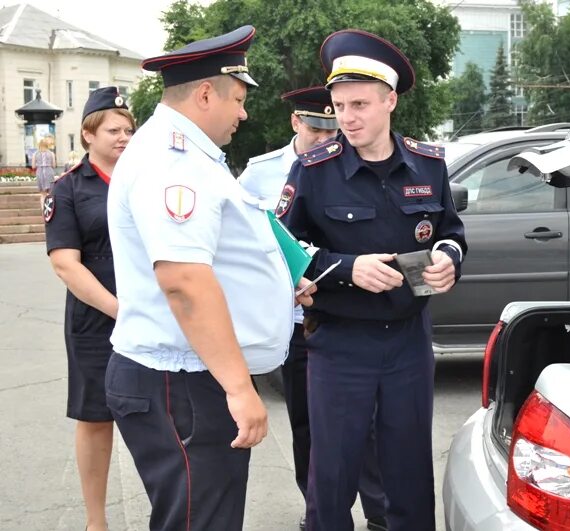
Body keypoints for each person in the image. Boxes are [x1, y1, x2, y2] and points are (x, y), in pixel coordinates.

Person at [105, 26, 312, 531]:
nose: (243, 113)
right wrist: (241, 390)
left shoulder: (189, 155)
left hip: (187, 379)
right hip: (183, 384)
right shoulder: (171, 162)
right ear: (204, 94)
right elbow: (184, 281)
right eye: (237, 99)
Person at [280, 29, 467, 531]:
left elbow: (450, 229)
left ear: (390, 101)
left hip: (408, 340)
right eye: (340, 105)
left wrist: (448, 257)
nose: (347, 117)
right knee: (333, 477)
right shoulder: (313, 170)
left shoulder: (429, 164)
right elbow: (284, 248)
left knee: (408, 473)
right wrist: (345, 268)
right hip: (340, 343)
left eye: (359, 104)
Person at [238, 86, 388, 531]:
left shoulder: (356, 162)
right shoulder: (260, 175)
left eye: (332, 128)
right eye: (317, 128)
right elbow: (245, 242)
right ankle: (319, 509)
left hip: (351, 317)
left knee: (369, 424)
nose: (327, 137)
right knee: (307, 425)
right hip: (298, 322)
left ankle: (380, 511)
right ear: (295, 124)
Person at [43, 86, 135, 531]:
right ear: (87, 134)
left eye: (129, 130)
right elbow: (65, 264)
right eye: (114, 130)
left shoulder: (145, 180)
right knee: (97, 418)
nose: (124, 137)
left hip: (153, 316)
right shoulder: (67, 189)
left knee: (159, 416)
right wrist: (121, 310)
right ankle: (95, 521)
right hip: (96, 321)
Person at [33, 138, 56, 209]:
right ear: (47, 145)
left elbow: (33, 166)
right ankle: (50, 210)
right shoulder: (51, 153)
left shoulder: (35, 154)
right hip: (49, 171)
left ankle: (43, 209)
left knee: (42, 194)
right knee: (50, 192)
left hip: (40, 172)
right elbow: (54, 165)